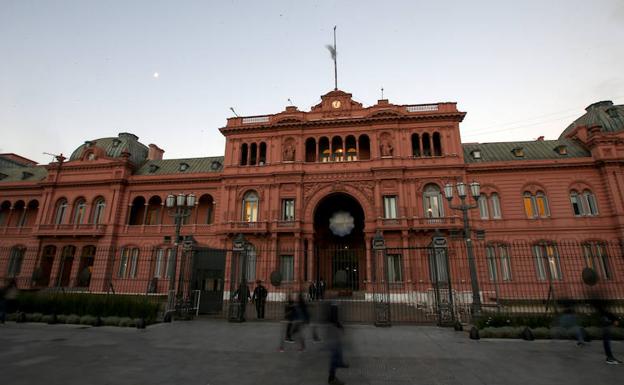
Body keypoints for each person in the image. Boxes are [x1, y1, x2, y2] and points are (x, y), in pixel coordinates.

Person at [327, 302, 348, 385]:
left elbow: (333, 319)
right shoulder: (333, 308)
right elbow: (333, 319)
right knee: (334, 356)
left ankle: (340, 363)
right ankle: (331, 379)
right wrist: (340, 326)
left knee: (338, 350)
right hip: (332, 334)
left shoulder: (333, 306)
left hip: (333, 333)